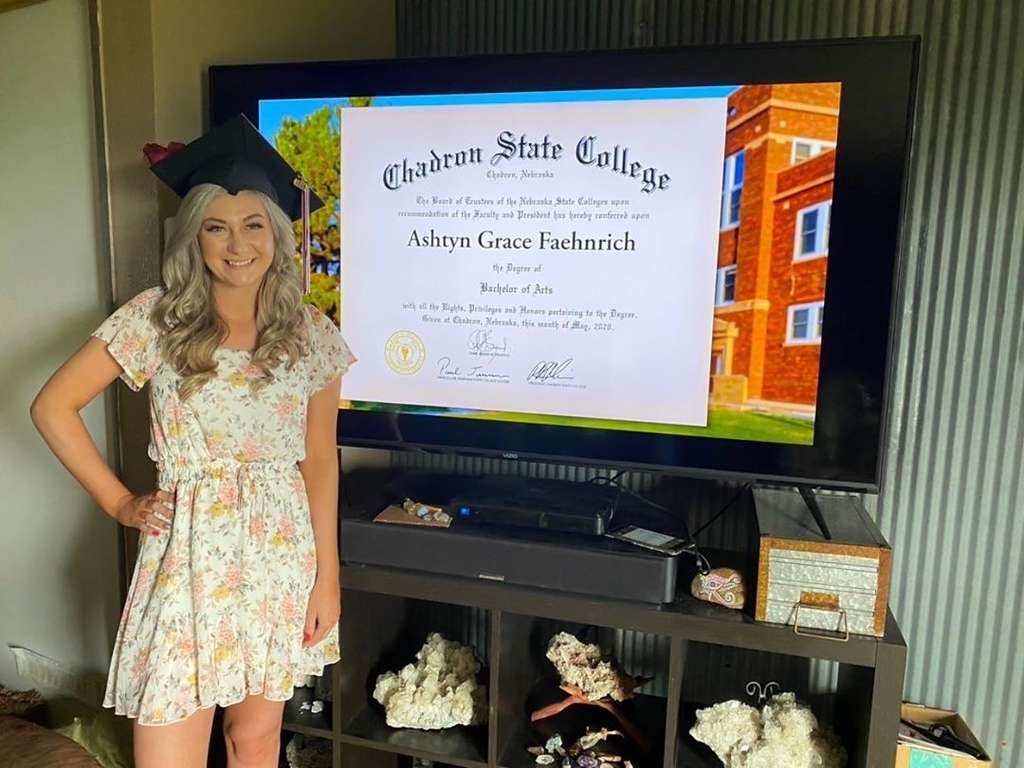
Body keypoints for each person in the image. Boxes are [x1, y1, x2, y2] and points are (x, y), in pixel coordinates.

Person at [30, 114, 356, 768]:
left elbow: (320, 460)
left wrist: (330, 577)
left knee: (255, 741)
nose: (238, 244)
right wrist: (120, 503)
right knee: (167, 747)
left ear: (277, 234)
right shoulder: (158, 316)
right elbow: (53, 406)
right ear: (195, 237)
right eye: (217, 226)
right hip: (189, 556)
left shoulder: (311, 332)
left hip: (280, 552)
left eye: (253, 224)